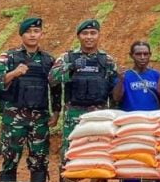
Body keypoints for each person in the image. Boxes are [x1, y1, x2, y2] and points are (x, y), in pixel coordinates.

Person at [0, 17, 61, 182]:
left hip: (39, 118)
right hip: (14, 117)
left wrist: (56, 111)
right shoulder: (8, 57)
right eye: (28, 32)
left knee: (40, 160)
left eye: (36, 31)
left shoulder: (48, 60)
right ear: (21, 35)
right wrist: (13, 73)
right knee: (10, 160)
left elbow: (55, 87)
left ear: (41, 34)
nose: (32, 35)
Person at [49, 19, 119, 165]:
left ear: (99, 35)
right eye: (85, 33)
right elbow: (52, 78)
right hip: (74, 117)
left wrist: (115, 116)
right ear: (78, 36)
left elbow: (114, 90)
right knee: (68, 157)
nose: (89, 37)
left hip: (100, 116)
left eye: (93, 33)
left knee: (100, 157)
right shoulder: (67, 58)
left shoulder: (107, 61)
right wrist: (71, 67)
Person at [113, 41, 160, 182]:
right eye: (138, 54)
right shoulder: (125, 76)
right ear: (132, 56)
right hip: (130, 131)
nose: (143, 57)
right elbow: (116, 98)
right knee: (130, 166)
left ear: (150, 55)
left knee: (152, 166)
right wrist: (120, 80)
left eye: (146, 54)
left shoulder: (156, 75)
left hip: (152, 130)